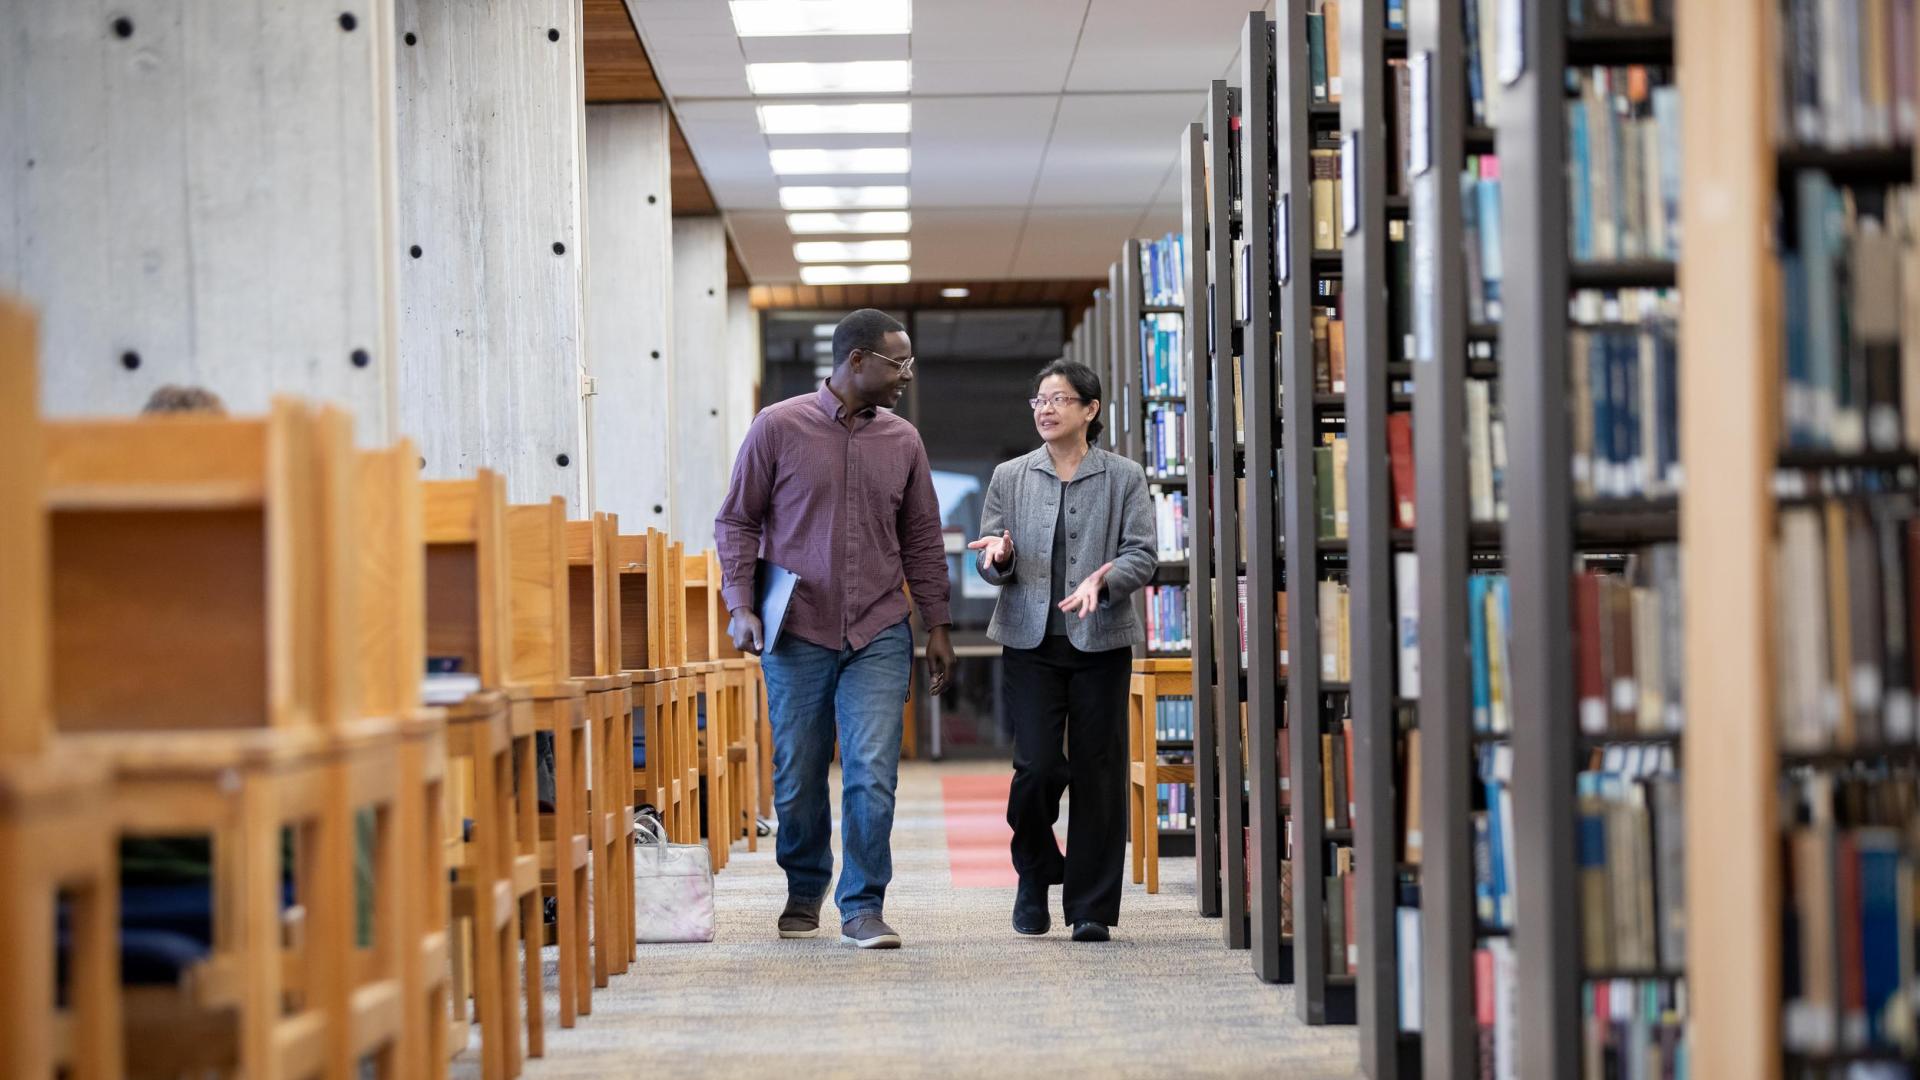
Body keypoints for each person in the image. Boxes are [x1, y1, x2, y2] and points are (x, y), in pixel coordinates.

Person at [714, 308, 955, 950]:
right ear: (856, 361)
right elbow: (736, 521)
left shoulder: (903, 440)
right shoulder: (777, 427)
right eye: (896, 362)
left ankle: (862, 904)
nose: (906, 374)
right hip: (795, 629)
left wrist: (937, 622)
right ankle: (803, 884)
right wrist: (740, 602)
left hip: (878, 625)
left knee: (873, 769)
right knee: (797, 772)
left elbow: (923, 536)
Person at [967, 359, 1155, 942]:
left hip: (1100, 641)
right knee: (1038, 768)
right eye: (1039, 400)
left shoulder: (1123, 476)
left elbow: (1142, 554)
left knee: (1099, 772)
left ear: (1090, 410)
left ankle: (1091, 906)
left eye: (1059, 399)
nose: (1045, 409)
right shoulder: (1010, 476)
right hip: (1029, 641)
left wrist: (1106, 580)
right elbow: (989, 557)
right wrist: (996, 559)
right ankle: (1036, 869)